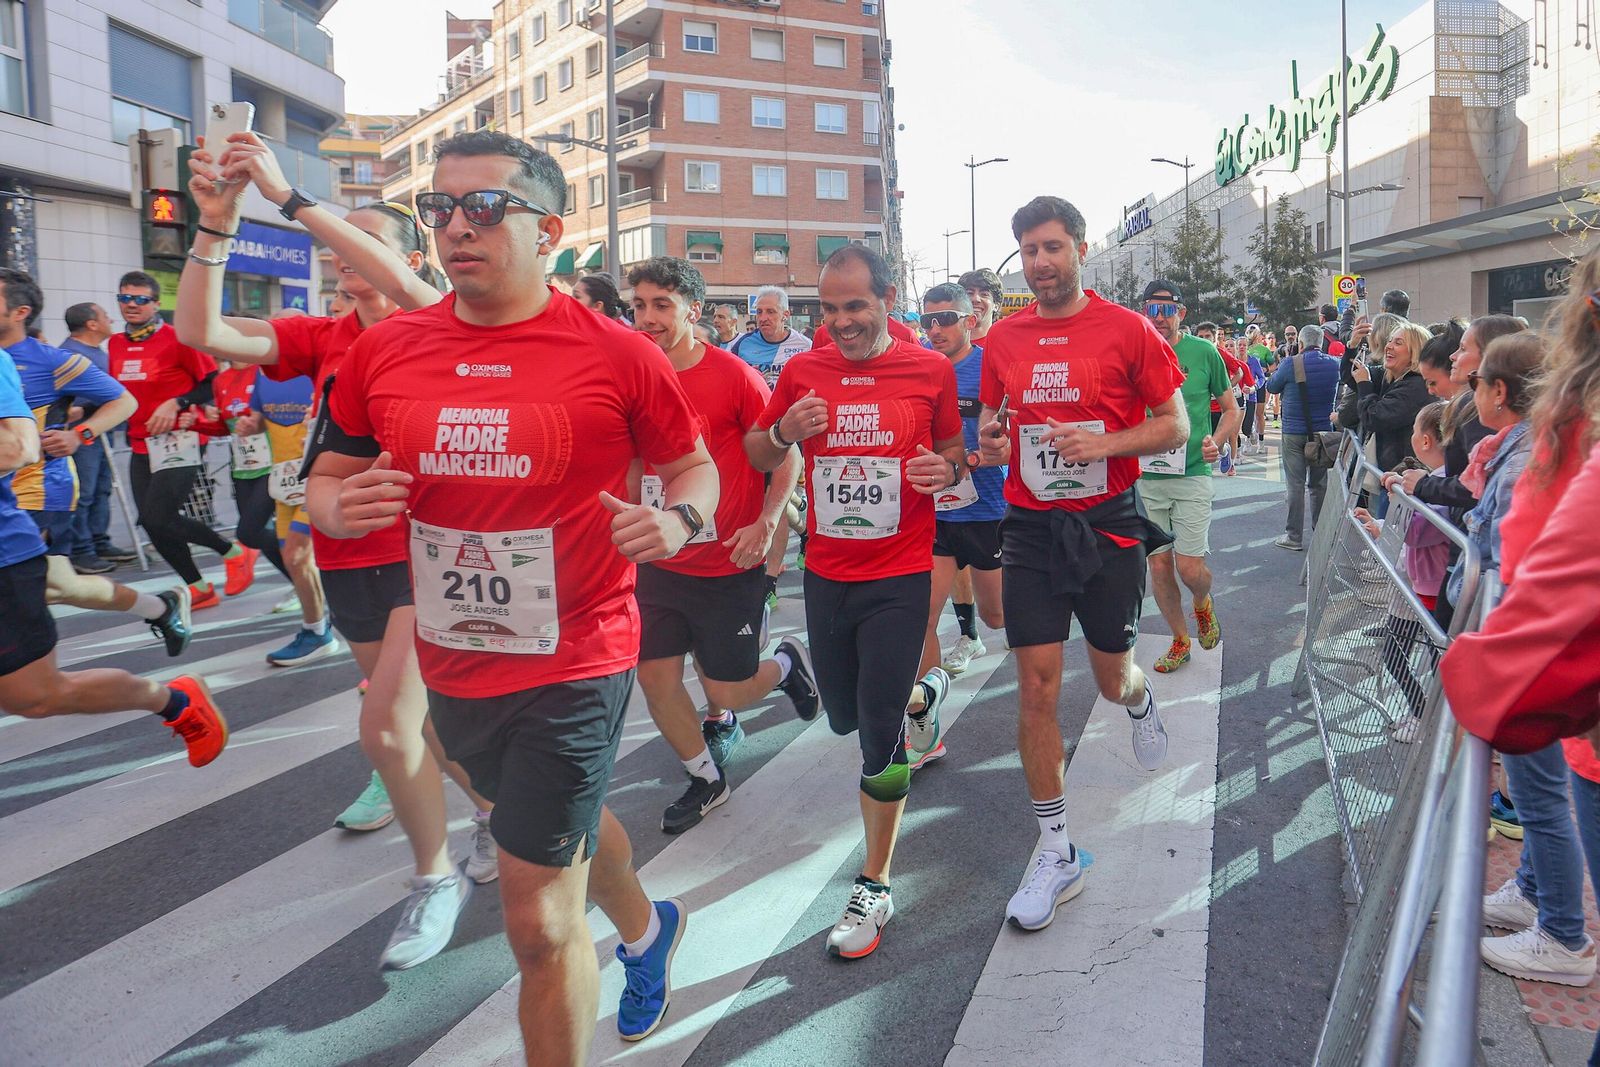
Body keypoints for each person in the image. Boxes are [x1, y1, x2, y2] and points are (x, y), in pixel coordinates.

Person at [314, 130, 717, 1057]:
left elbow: (693, 469)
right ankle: (652, 926)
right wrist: (339, 509)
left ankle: (610, 955)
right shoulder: (385, 353)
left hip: (579, 652)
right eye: (441, 208)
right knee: (549, 827)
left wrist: (680, 523)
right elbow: (326, 481)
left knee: (536, 921)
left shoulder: (619, 354)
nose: (459, 227)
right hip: (454, 656)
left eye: (487, 207)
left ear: (550, 230)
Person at [178, 131, 501, 971]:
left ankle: (435, 879)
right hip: (345, 558)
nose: (334, 250)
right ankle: (496, 814)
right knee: (425, 731)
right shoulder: (322, 337)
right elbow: (200, 328)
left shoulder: (439, 319)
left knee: (387, 728)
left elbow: (404, 279)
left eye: (352, 234)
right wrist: (214, 226)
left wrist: (291, 201)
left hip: (429, 555)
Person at [747, 243, 964, 958]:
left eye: (854, 306)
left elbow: (954, 453)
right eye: (829, 308)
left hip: (901, 572)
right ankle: (924, 691)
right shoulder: (804, 371)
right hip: (828, 572)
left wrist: (944, 468)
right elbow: (756, 451)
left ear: (886, 297)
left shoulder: (928, 368)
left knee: (874, 732)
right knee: (844, 714)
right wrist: (784, 432)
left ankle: (875, 881)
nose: (840, 322)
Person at [976, 196, 1186, 932]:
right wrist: (994, 444)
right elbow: (992, 425)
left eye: (1053, 247)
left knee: (1110, 674)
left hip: (1106, 526)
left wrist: (1104, 444)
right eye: (1030, 250)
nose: (1041, 263)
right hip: (1032, 529)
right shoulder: (1002, 339)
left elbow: (1175, 425)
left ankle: (1138, 699)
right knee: (1036, 685)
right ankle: (1058, 847)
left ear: (1081, 249)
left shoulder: (1127, 329)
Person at [1439, 252, 1600, 1010]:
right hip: (1568, 696)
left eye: (1474, 376)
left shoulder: (1577, 437)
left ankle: (1563, 929)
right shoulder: (1560, 432)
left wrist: (1477, 672)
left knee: (1542, 803)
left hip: (1559, 684)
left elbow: (1542, 567)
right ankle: (1539, 897)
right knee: (1545, 800)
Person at [624, 255, 817, 833]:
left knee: (727, 688)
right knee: (655, 679)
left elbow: (786, 455)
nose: (649, 317)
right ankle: (706, 778)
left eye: (662, 305)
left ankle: (785, 665)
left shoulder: (732, 375)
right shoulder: (630, 377)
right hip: (658, 561)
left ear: (694, 309)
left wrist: (766, 521)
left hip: (728, 558)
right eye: (639, 306)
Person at [0, 346, 225, 763]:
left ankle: (173, 694)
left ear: (20, 308)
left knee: (35, 695)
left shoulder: (47, 357)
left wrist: (80, 434)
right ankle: (161, 606)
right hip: (23, 521)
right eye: (124, 298)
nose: (130, 305)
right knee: (60, 584)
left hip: (35, 506)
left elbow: (20, 446)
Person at [108, 269, 256, 609]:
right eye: (125, 298)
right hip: (140, 441)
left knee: (159, 515)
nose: (132, 305)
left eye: (140, 299)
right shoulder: (115, 343)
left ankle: (234, 552)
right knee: (151, 522)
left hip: (182, 438)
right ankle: (199, 587)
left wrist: (178, 402)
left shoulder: (178, 339)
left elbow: (210, 383)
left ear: (156, 304)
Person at [1136, 280, 1237, 674]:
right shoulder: (1132, 353)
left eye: (1167, 310)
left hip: (1192, 471)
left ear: (1182, 313)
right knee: (1158, 567)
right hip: (1145, 478)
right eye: (1151, 309)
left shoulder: (1204, 351)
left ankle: (1201, 604)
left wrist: (1218, 441)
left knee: (1189, 568)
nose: (1159, 319)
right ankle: (1180, 639)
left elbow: (1231, 408)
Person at [916, 284, 1005, 718]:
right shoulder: (918, 368)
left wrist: (968, 460)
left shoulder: (991, 367)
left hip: (987, 510)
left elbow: (1013, 439)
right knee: (920, 618)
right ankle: (924, 715)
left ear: (970, 321)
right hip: (934, 514)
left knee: (998, 617)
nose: (935, 329)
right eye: (927, 320)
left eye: (945, 318)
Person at [1361, 401, 1451, 742]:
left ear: (1424, 441)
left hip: (1428, 588)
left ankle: (1429, 718)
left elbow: (1418, 531)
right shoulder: (1433, 481)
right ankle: (1422, 711)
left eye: (1414, 430)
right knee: (1399, 652)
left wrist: (1400, 497)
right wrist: (1380, 523)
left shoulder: (1440, 486)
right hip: (1413, 584)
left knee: (1432, 657)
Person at [940, 267, 1010, 671]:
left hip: (998, 487)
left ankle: (1015, 615)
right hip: (946, 487)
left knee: (998, 606)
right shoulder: (936, 353)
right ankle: (968, 637)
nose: (977, 298)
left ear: (993, 304)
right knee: (952, 562)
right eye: (969, 292)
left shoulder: (1002, 351)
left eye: (984, 292)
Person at [57, 301, 134, 570]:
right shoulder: (69, 356)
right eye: (105, 316)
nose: (110, 320)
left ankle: (100, 541)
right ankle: (80, 550)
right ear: (91, 324)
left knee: (101, 490)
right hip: (81, 437)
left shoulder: (98, 353)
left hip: (102, 432)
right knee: (84, 493)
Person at [1265, 323, 1339, 550]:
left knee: (1295, 484)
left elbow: (1272, 386)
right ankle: (1320, 533)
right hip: (1323, 434)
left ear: (1301, 343)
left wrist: (1286, 361)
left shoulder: (1290, 364)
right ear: (1321, 343)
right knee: (1319, 485)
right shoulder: (1334, 365)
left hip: (1293, 432)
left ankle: (1294, 536)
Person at [1355, 320, 1432, 475]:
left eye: (1398, 343)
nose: (1388, 346)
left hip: (1403, 477)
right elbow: (1352, 375)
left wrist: (1364, 384)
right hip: (1393, 474)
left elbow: (1374, 417)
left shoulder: (1415, 386)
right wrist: (1352, 345)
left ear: (1414, 351)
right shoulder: (1393, 377)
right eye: (1389, 341)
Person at [730, 285, 813, 387]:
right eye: (759, 312)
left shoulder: (805, 345)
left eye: (770, 312)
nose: (763, 318)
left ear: (785, 315)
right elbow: (730, 381)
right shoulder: (742, 344)